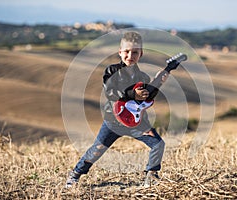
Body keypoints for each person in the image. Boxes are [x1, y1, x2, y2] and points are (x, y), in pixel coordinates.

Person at [66, 31, 169, 188]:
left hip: (137, 123)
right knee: (97, 150)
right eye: (127, 52)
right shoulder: (111, 71)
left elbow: (147, 98)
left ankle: (151, 176)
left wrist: (159, 81)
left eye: (135, 52)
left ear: (140, 54)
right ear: (120, 52)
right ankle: (75, 175)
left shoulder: (143, 77)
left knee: (158, 144)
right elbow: (110, 92)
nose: (130, 56)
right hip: (113, 121)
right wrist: (132, 94)